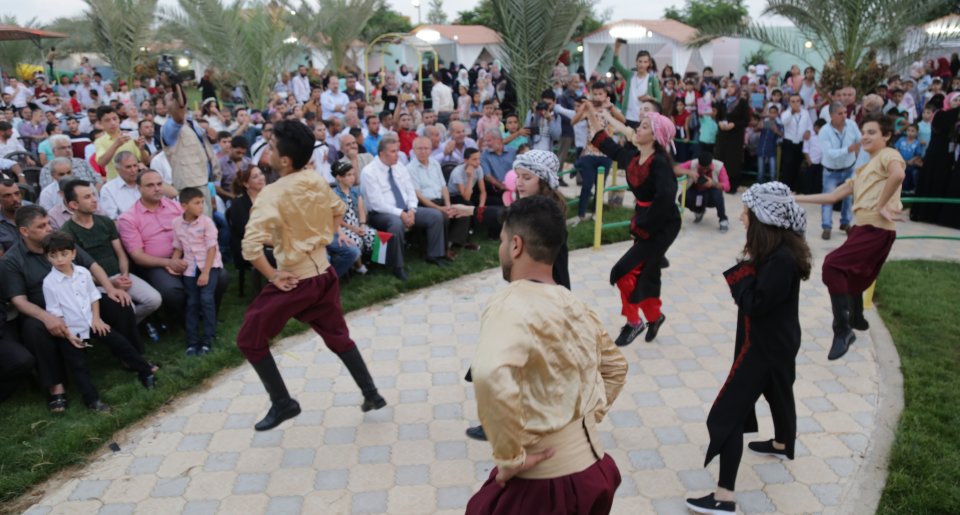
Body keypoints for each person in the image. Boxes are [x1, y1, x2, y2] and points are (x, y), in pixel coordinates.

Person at [465, 196, 628, 515]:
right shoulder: (577, 306)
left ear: (516, 245)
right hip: (595, 472)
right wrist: (581, 424)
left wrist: (510, 458)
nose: (501, 249)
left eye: (501, 241)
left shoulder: (509, 302)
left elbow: (489, 373)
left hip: (545, 486)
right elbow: (615, 368)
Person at [237, 120, 386, 431]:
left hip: (296, 280)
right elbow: (337, 208)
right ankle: (371, 393)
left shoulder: (270, 193)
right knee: (337, 335)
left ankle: (283, 402)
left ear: (284, 159)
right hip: (325, 275)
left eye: (271, 147)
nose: (267, 151)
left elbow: (250, 247)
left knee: (249, 339)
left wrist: (273, 276)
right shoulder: (315, 179)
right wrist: (327, 236)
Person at [686, 182, 811, 515]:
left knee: (726, 416)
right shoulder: (780, 252)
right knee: (778, 391)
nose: (741, 216)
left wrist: (741, 274)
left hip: (763, 350)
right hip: (778, 342)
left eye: (746, 211)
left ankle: (723, 498)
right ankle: (782, 443)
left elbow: (755, 303)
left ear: (763, 218)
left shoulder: (780, 261)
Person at [1, 205, 147, 413]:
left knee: (118, 303)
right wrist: (48, 317)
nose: (49, 228)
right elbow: (19, 301)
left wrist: (110, 288)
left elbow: (92, 265)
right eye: (41, 226)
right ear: (24, 231)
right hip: (44, 309)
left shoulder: (60, 242)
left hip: (80, 301)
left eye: (48, 223)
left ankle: (133, 358)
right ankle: (56, 387)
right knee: (34, 329)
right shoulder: (12, 260)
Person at [796, 115, 905, 360]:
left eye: (872, 132)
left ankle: (843, 330)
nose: (865, 136)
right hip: (862, 228)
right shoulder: (863, 169)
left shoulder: (889, 154)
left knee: (833, 265)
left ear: (886, 135)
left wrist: (881, 204)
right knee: (853, 271)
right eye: (863, 132)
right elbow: (832, 196)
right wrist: (794, 198)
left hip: (876, 229)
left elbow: (898, 175)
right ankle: (856, 317)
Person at [586, 106, 680, 347]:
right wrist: (590, 113)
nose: (638, 129)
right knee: (647, 273)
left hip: (662, 224)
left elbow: (665, 199)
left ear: (656, 136)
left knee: (623, 271)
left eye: (645, 127)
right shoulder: (633, 158)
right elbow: (606, 143)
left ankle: (634, 322)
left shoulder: (660, 163)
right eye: (640, 125)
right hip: (645, 218)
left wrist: (643, 225)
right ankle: (654, 317)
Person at [60, 179, 162, 326]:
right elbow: (75, 271)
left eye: (93, 195)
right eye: (87, 197)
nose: (94, 200)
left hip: (119, 275)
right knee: (128, 307)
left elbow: (121, 254)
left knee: (154, 300)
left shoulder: (105, 222)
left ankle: (127, 326)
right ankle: (124, 327)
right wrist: (109, 283)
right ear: (73, 205)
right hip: (94, 283)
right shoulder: (67, 233)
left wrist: (124, 275)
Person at [362, 136, 447, 281]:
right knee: (396, 224)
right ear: (382, 153)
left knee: (435, 216)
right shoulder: (369, 171)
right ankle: (398, 266)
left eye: (398, 150)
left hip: (406, 209)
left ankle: (434, 255)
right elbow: (377, 203)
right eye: (393, 151)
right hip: (381, 213)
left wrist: (412, 210)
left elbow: (410, 191)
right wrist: (401, 213)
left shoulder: (399, 166)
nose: (398, 154)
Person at [172, 187, 223, 356]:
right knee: (192, 302)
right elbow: (178, 246)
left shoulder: (206, 222)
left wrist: (206, 272)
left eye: (202, 202)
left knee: (206, 299)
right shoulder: (176, 223)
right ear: (184, 206)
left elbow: (211, 248)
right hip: (190, 269)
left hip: (209, 266)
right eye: (197, 203)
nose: (201, 206)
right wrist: (173, 263)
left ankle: (208, 339)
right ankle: (192, 343)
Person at [817, 101, 861, 240]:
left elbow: (860, 141)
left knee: (848, 198)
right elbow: (829, 153)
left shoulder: (852, 125)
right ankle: (826, 227)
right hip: (831, 171)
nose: (844, 116)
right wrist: (848, 149)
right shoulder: (824, 131)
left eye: (845, 112)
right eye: (840, 113)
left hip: (849, 168)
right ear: (831, 115)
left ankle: (846, 223)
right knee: (828, 199)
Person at [331, 161, 373, 274]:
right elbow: (336, 218)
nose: (352, 178)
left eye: (353, 174)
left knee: (373, 236)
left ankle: (374, 261)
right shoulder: (334, 194)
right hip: (343, 226)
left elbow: (361, 210)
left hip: (357, 225)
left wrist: (362, 225)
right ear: (339, 177)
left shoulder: (355, 191)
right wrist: (353, 228)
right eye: (348, 175)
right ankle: (359, 266)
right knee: (355, 241)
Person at [675, 151, 731, 231]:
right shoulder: (693, 163)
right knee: (682, 198)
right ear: (699, 164)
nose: (704, 171)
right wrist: (689, 172)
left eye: (706, 168)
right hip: (696, 192)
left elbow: (727, 186)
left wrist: (713, 184)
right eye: (702, 168)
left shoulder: (719, 166)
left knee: (717, 194)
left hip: (710, 194)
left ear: (711, 164)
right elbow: (675, 170)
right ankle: (699, 211)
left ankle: (723, 219)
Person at [612, 38, 661, 128]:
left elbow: (659, 99)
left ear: (649, 63)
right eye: (640, 61)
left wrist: (649, 98)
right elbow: (616, 63)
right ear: (636, 62)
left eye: (645, 62)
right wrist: (617, 47)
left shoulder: (652, 79)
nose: (642, 65)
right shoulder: (630, 75)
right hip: (627, 117)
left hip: (644, 119)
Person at [715, 83, 750, 191]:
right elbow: (718, 116)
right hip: (723, 135)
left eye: (732, 87)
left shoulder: (742, 102)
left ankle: (732, 185)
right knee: (721, 157)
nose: (730, 89)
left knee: (733, 161)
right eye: (728, 87)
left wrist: (734, 124)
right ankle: (720, 183)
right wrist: (719, 123)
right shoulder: (723, 101)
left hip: (735, 137)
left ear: (737, 89)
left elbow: (746, 120)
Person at [778, 94, 812, 189]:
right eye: (793, 101)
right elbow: (784, 122)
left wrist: (808, 131)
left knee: (797, 165)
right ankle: (784, 188)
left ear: (800, 102)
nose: (795, 103)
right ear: (789, 103)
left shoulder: (805, 113)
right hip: (788, 143)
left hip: (800, 143)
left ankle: (794, 188)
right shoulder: (786, 113)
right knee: (787, 166)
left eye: (797, 101)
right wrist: (792, 112)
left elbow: (809, 125)